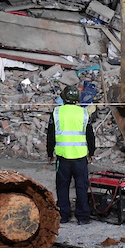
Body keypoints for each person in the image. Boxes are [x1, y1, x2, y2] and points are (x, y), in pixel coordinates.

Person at [46, 85, 96, 225]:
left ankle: (64, 215)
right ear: (76, 99)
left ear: (63, 98)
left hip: (63, 158)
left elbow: (50, 135)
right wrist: (91, 152)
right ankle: (83, 217)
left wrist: (49, 153)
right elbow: (90, 135)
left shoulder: (56, 113)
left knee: (62, 187)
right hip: (80, 158)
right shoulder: (84, 113)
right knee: (81, 187)